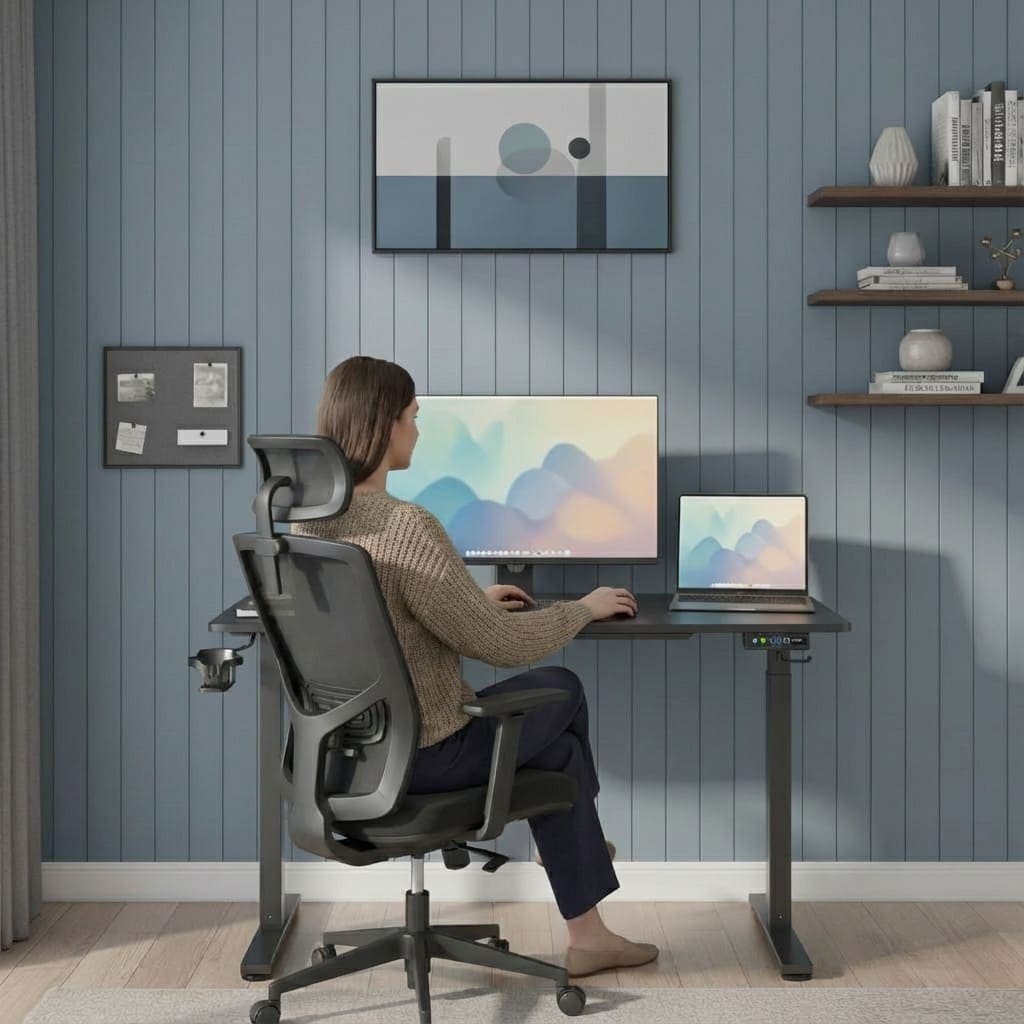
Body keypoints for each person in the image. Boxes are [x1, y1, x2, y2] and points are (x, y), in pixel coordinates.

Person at [294, 355, 658, 979]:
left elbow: (386, 621)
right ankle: (587, 859)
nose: (417, 431)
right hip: (429, 755)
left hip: (346, 759)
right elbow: (499, 646)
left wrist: (464, 601)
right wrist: (583, 608)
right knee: (563, 687)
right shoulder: (407, 526)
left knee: (559, 760)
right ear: (384, 425)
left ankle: (590, 936)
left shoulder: (307, 524)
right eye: (413, 417)